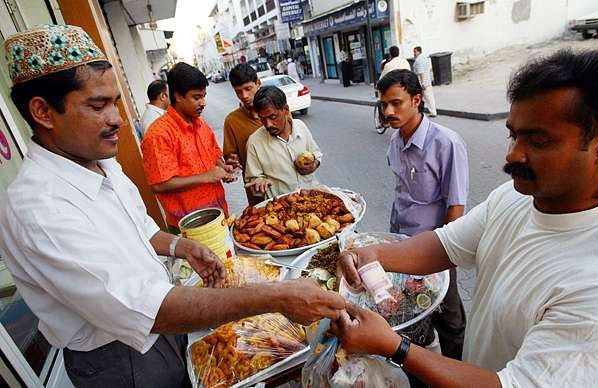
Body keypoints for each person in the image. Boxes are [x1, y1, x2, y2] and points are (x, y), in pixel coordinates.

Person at [0, 25, 346, 388]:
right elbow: (147, 309)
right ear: (43, 111)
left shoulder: (101, 162)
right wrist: (276, 297)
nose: (117, 119)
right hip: (122, 359)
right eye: (97, 105)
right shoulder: (39, 208)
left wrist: (183, 247)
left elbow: (141, 228)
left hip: (166, 326)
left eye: (115, 103)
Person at [333, 49, 598, 387]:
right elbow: (445, 244)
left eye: (538, 141)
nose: (513, 154)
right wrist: (374, 255)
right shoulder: (514, 196)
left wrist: (395, 346)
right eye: (513, 134)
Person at [380, 69, 468, 365]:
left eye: (396, 103)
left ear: (417, 100)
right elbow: (401, 196)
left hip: (437, 250)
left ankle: (456, 371)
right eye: (384, 105)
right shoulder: (395, 141)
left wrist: (442, 262)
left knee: (450, 319)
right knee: (415, 315)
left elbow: (456, 210)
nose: (388, 111)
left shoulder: (447, 143)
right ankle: (424, 368)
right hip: (403, 248)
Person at [141, 62, 234, 232]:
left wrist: (223, 168)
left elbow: (214, 157)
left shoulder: (201, 125)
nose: (203, 103)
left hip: (219, 215)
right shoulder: (159, 134)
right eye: (196, 97)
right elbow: (159, 185)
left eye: (204, 96)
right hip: (190, 226)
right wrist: (207, 176)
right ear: (178, 96)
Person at [245, 86, 321, 198]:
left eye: (273, 117)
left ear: (285, 110)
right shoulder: (254, 142)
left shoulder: (301, 126)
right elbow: (254, 184)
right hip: (283, 209)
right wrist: (259, 184)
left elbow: (317, 156)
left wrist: (312, 165)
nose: (268, 124)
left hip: (313, 198)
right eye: (262, 119)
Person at [223, 63, 264, 205]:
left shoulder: (277, 110)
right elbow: (229, 157)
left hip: (286, 184)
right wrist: (231, 163)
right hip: (258, 191)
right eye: (238, 92)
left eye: (248, 89)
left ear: (258, 83)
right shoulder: (232, 121)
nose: (244, 96)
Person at [413, 46, 437, 117]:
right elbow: (428, 69)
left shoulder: (418, 61)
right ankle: (432, 111)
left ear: (419, 52)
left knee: (421, 97)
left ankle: (424, 112)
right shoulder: (425, 59)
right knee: (429, 97)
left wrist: (422, 83)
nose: (414, 53)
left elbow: (421, 72)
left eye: (415, 51)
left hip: (421, 82)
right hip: (427, 80)